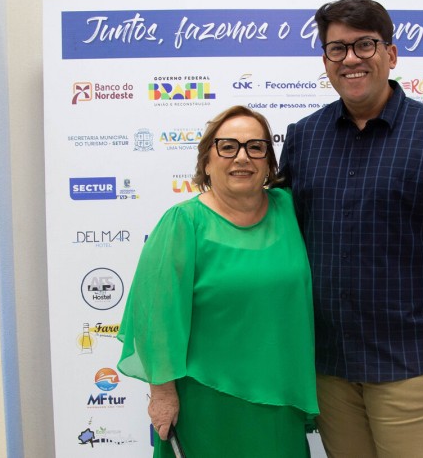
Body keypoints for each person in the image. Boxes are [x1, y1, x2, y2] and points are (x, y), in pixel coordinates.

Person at [277, 0, 423, 457]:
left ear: (391, 54)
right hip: (330, 368)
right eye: (337, 48)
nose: (351, 59)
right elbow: (281, 239)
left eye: (364, 44)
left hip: (411, 368)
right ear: (325, 61)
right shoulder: (304, 137)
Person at [117, 105, 319, 458]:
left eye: (255, 147)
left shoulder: (289, 209)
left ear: (269, 163)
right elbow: (155, 318)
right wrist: (162, 393)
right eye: (227, 146)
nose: (242, 157)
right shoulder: (183, 222)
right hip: (206, 401)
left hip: (281, 398)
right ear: (207, 161)